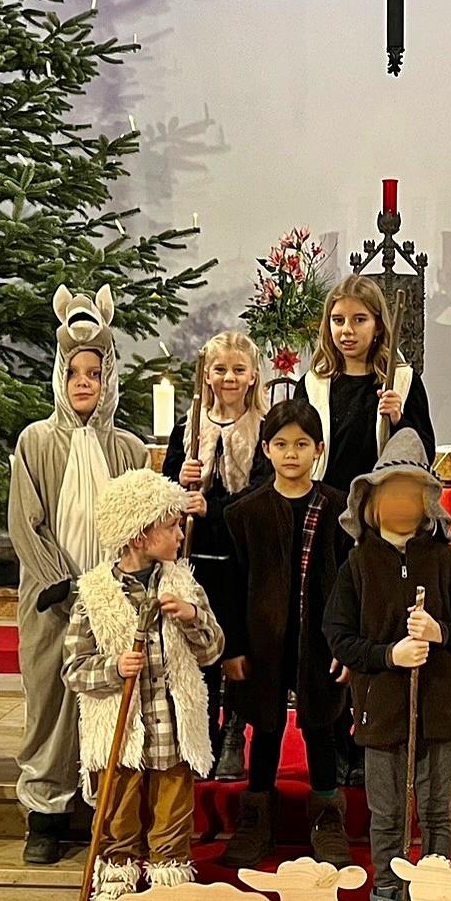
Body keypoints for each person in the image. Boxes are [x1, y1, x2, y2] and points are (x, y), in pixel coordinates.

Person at [325, 431, 451, 901]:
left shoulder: (445, 562)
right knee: (387, 812)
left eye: (410, 493)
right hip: (382, 708)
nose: (399, 504)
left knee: (436, 810)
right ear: (369, 504)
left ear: (426, 505)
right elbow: (339, 634)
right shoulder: (357, 566)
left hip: (438, 708)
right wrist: (386, 656)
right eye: (389, 493)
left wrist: (441, 632)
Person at [10, 287, 148, 862]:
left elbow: (139, 521)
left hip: (108, 598)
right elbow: (26, 519)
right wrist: (56, 580)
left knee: (104, 697)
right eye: (75, 372)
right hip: (53, 596)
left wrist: (112, 586)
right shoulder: (36, 442)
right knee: (49, 696)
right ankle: (45, 807)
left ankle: (99, 802)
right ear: (60, 377)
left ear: (109, 376)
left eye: (95, 372)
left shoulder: (130, 449)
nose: (84, 383)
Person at [66, 470, 225, 901]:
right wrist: (114, 668)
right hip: (122, 742)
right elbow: (73, 669)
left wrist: (193, 617)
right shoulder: (94, 593)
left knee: (171, 826)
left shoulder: (181, 583)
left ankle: (167, 899)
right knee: (118, 822)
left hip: (172, 738)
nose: (179, 532)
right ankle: (116, 895)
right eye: (170, 525)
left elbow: (213, 651)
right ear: (139, 535)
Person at [221, 400, 353, 867]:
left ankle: (327, 816)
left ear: (318, 449)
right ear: (266, 449)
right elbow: (232, 587)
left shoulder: (340, 510)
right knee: (267, 726)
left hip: (319, 640)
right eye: (281, 444)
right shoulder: (245, 513)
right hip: (262, 642)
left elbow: (350, 584)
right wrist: (232, 646)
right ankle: (257, 816)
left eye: (301, 444)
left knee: (321, 726)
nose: (291, 453)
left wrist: (345, 644)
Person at [162, 330, 268, 780]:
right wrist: (177, 478)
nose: (229, 377)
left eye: (238, 370)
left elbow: (265, 493)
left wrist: (215, 508)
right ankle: (200, 728)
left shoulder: (264, 429)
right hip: (197, 556)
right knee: (198, 643)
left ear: (252, 376)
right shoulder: (189, 427)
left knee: (237, 650)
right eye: (220, 369)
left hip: (242, 558)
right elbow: (165, 492)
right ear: (207, 374)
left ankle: (234, 732)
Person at [303, 274, 436, 497]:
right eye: (338, 320)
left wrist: (398, 420)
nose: (347, 330)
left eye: (359, 319)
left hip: (381, 505)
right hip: (326, 503)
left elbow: (425, 452)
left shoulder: (403, 381)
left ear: (378, 326)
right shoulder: (313, 384)